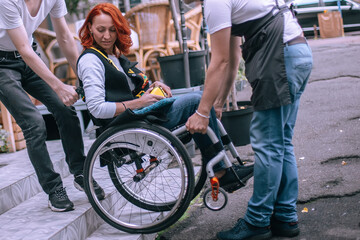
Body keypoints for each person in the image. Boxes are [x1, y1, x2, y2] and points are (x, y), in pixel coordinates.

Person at [76, 3, 254, 195]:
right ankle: (221, 170)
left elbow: (127, 87)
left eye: (112, 30)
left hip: (139, 116)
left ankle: (223, 166)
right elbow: (96, 108)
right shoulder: (91, 61)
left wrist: (152, 85)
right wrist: (139, 103)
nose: (107, 36)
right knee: (197, 100)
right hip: (127, 125)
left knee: (198, 101)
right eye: (101, 30)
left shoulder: (112, 56)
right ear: (90, 29)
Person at [184, 0, 313, 239]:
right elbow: (232, 58)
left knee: (268, 144)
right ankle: (285, 217)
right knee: (281, 142)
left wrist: (202, 113)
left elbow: (220, 60)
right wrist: (219, 102)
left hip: (280, 57)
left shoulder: (214, 3)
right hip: (297, 52)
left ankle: (257, 222)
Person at [0, 0, 104, 212]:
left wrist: (84, 78)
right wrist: (58, 85)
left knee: (65, 108)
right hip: (3, 64)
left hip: (28, 55)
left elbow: (64, 37)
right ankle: (54, 188)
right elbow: (23, 48)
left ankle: (80, 172)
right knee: (34, 123)